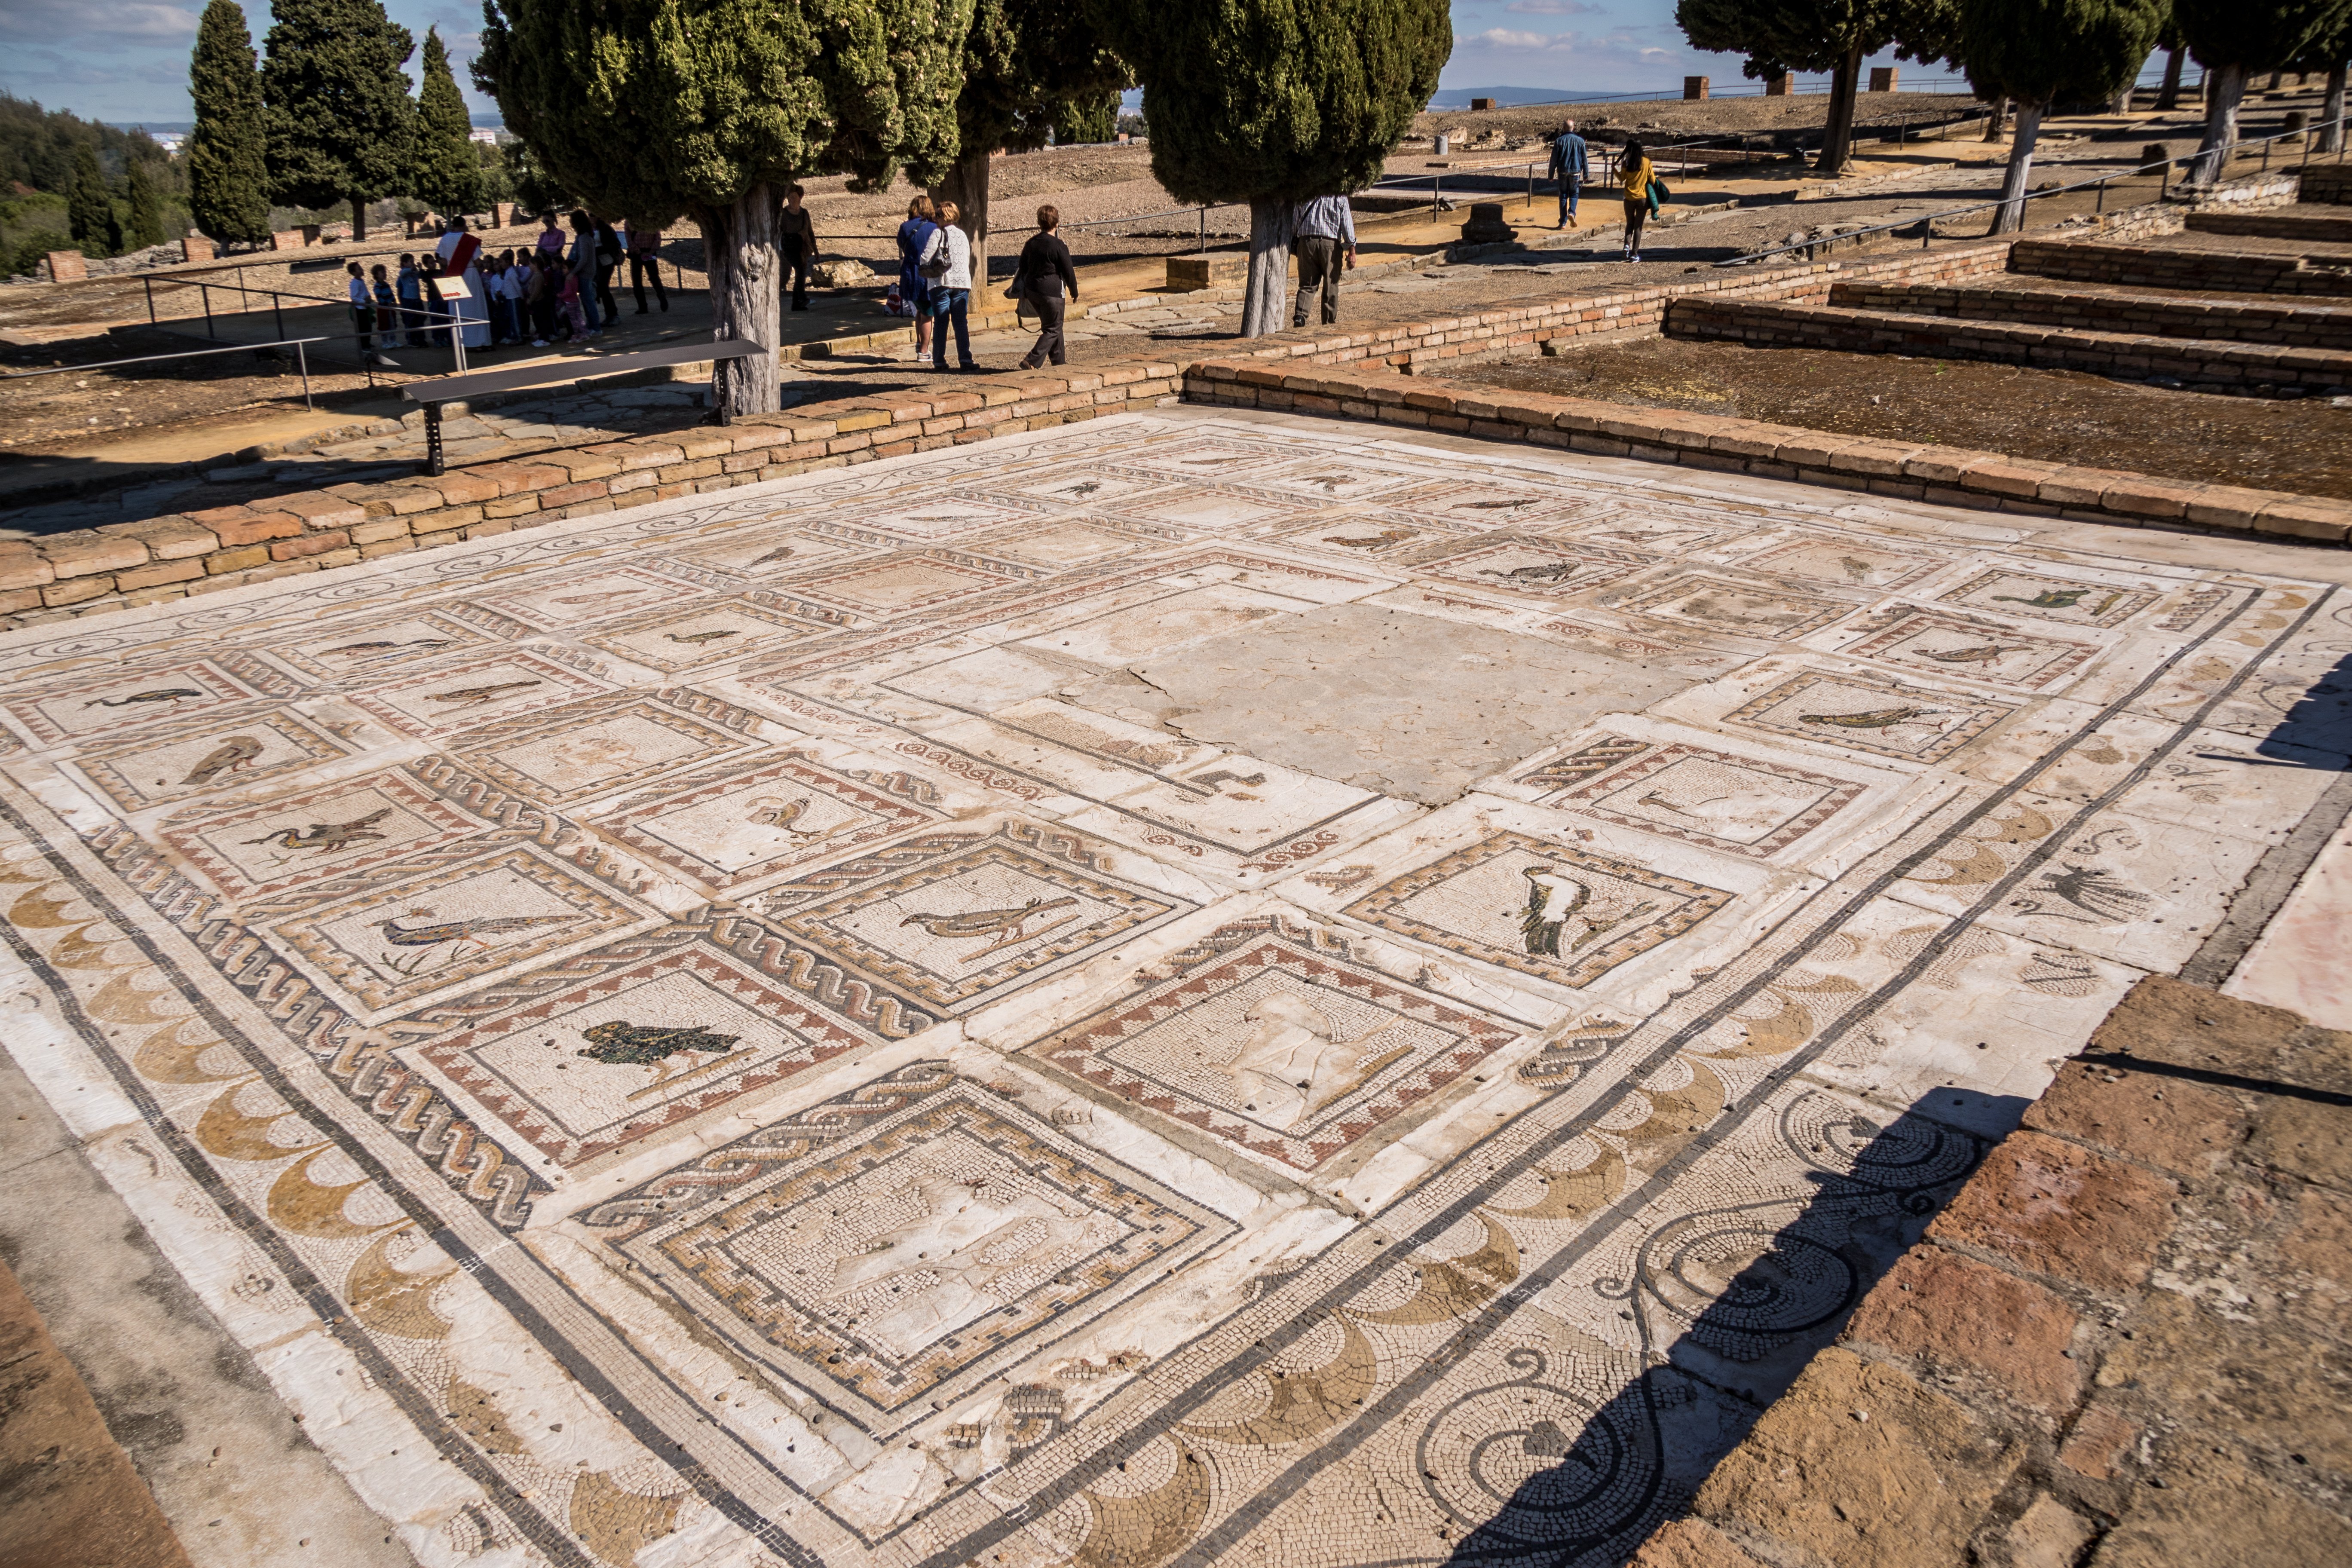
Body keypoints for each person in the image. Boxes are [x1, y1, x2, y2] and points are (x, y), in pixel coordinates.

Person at [1013, 204, 1078, 369]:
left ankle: (1059, 363)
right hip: (1053, 293)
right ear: (1057, 223)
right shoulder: (1058, 245)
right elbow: (1068, 271)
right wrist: (1074, 291)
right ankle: (1032, 360)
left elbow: (1022, 268)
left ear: (1040, 223)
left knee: (1053, 326)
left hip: (1033, 292)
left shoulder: (1031, 244)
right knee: (1054, 328)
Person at [917, 199, 975, 371]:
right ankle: (965, 359)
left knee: (941, 323)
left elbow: (925, 259)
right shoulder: (963, 235)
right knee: (961, 323)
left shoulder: (937, 234)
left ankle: (939, 361)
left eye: (938, 215)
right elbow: (966, 259)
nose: (935, 218)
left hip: (941, 284)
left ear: (946, 216)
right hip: (962, 284)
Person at [1289, 192, 1356, 328]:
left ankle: (1301, 316)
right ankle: (1329, 323)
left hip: (1307, 242)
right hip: (1330, 244)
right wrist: (1352, 250)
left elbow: (1295, 223)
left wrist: (1294, 243)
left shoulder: (1305, 192)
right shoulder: (1339, 196)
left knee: (1307, 284)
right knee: (1331, 285)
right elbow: (1347, 224)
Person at [896, 195, 938, 362]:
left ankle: (919, 344)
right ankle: (924, 351)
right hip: (926, 273)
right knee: (928, 313)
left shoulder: (905, 227)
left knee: (920, 310)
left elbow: (901, 244)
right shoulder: (935, 228)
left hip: (909, 272)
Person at [780, 184, 817, 312]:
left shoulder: (804, 213)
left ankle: (797, 304)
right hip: (787, 248)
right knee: (790, 274)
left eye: (795, 196)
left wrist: (816, 250)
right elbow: (778, 231)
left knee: (801, 274)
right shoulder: (783, 214)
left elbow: (810, 232)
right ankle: (802, 297)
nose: (792, 199)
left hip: (802, 248)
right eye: (790, 197)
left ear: (801, 197)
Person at [1620, 138, 1656, 263]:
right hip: (1642, 199)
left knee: (1630, 223)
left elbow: (1622, 178)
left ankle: (1626, 246)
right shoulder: (1646, 162)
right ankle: (1635, 254)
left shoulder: (1627, 162)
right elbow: (1653, 180)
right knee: (1638, 227)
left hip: (1628, 198)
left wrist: (1614, 169)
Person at [566, 208, 602, 335]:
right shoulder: (586, 237)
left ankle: (596, 328)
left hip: (585, 274)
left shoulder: (583, 238)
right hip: (587, 273)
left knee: (588, 301)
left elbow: (584, 259)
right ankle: (592, 325)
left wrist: (573, 272)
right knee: (587, 300)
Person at [1548, 119, 1589, 228]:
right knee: (1574, 194)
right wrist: (1586, 173)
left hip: (1562, 171)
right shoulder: (1580, 141)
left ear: (1563, 128)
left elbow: (1554, 160)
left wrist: (1551, 174)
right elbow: (1584, 159)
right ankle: (1572, 212)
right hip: (1576, 172)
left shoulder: (1559, 141)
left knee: (1563, 196)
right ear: (1573, 128)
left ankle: (1563, 222)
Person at [626, 221, 668, 313]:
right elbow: (658, 237)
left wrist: (637, 251)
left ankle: (643, 307)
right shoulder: (651, 220)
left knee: (637, 280)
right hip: (650, 253)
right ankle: (661, 293)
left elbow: (629, 239)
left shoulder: (629, 221)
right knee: (654, 277)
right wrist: (652, 250)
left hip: (636, 255)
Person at [593, 219, 622, 326]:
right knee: (600, 288)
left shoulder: (606, 229)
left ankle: (613, 315)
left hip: (607, 262)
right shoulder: (590, 229)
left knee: (603, 287)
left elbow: (615, 244)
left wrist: (599, 250)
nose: (591, 217)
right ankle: (609, 315)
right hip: (596, 263)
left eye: (593, 215)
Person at [396, 253, 424, 346]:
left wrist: (420, 268)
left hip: (417, 299)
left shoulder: (414, 272)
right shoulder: (403, 273)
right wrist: (411, 269)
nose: (413, 264)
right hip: (408, 300)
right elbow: (403, 273)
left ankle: (421, 339)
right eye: (411, 262)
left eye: (413, 261)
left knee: (420, 320)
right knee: (410, 321)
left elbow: (420, 276)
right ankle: (411, 340)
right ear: (404, 264)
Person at [345, 260, 374, 350]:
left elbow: (364, 292)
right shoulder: (355, 284)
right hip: (360, 308)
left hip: (365, 307)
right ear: (354, 273)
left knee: (368, 326)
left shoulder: (361, 281)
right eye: (359, 269)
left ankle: (367, 343)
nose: (361, 270)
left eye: (361, 268)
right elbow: (354, 297)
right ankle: (363, 345)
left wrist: (369, 297)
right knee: (363, 327)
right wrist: (363, 301)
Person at [370, 263, 397, 349]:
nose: (385, 274)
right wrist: (386, 303)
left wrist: (394, 301)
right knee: (384, 325)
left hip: (390, 308)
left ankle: (393, 341)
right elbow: (379, 298)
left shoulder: (386, 285)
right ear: (377, 275)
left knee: (392, 324)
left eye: (385, 272)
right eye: (382, 272)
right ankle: (385, 342)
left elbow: (391, 294)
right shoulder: (377, 287)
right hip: (383, 309)